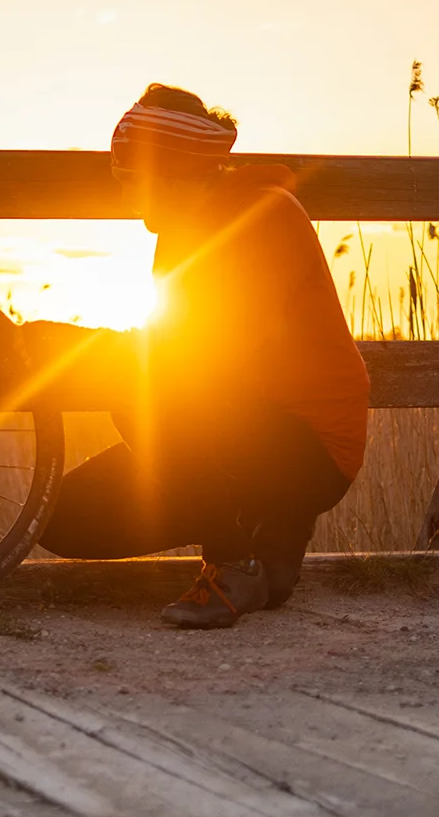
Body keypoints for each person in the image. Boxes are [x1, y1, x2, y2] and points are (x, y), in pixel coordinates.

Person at [26, 84, 370, 629]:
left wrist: (84, 347)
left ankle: (233, 560)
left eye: (130, 180)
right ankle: (264, 538)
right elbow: (172, 340)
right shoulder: (180, 230)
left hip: (308, 445)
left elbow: (209, 357)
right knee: (57, 516)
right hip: (235, 430)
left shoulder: (263, 215)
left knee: (136, 385)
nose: (126, 196)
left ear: (173, 171)